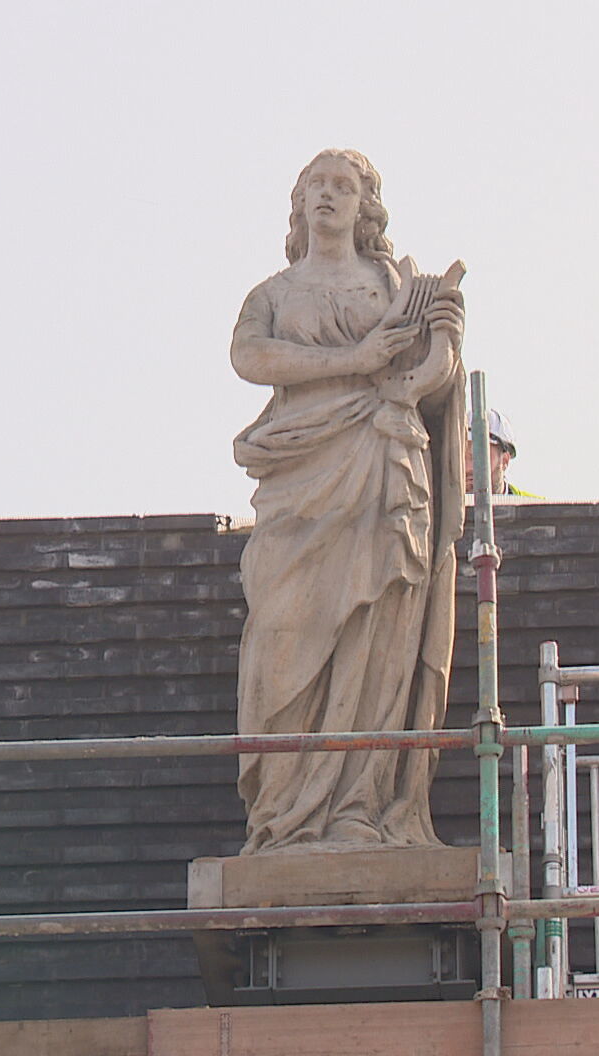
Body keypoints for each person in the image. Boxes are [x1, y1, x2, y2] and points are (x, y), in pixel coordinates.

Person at [230, 149, 466, 854]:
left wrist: (442, 339)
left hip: (383, 460)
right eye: (316, 185)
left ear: (365, 206)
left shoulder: (396, 281)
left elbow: (436, 370)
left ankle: (360, 803)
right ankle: (284, 815)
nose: (329, 196)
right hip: (300, 478)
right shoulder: (271, 292)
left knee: (377, 625)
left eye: (345, 186)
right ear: (298, 203)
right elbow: (249, 358)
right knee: (282, 635)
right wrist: (353, 362)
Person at [463, 408, 538, 497]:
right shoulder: (444, 508)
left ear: (505, 460)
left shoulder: (538, 508)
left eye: (478, 457)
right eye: (461, 459)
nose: (467, 468)